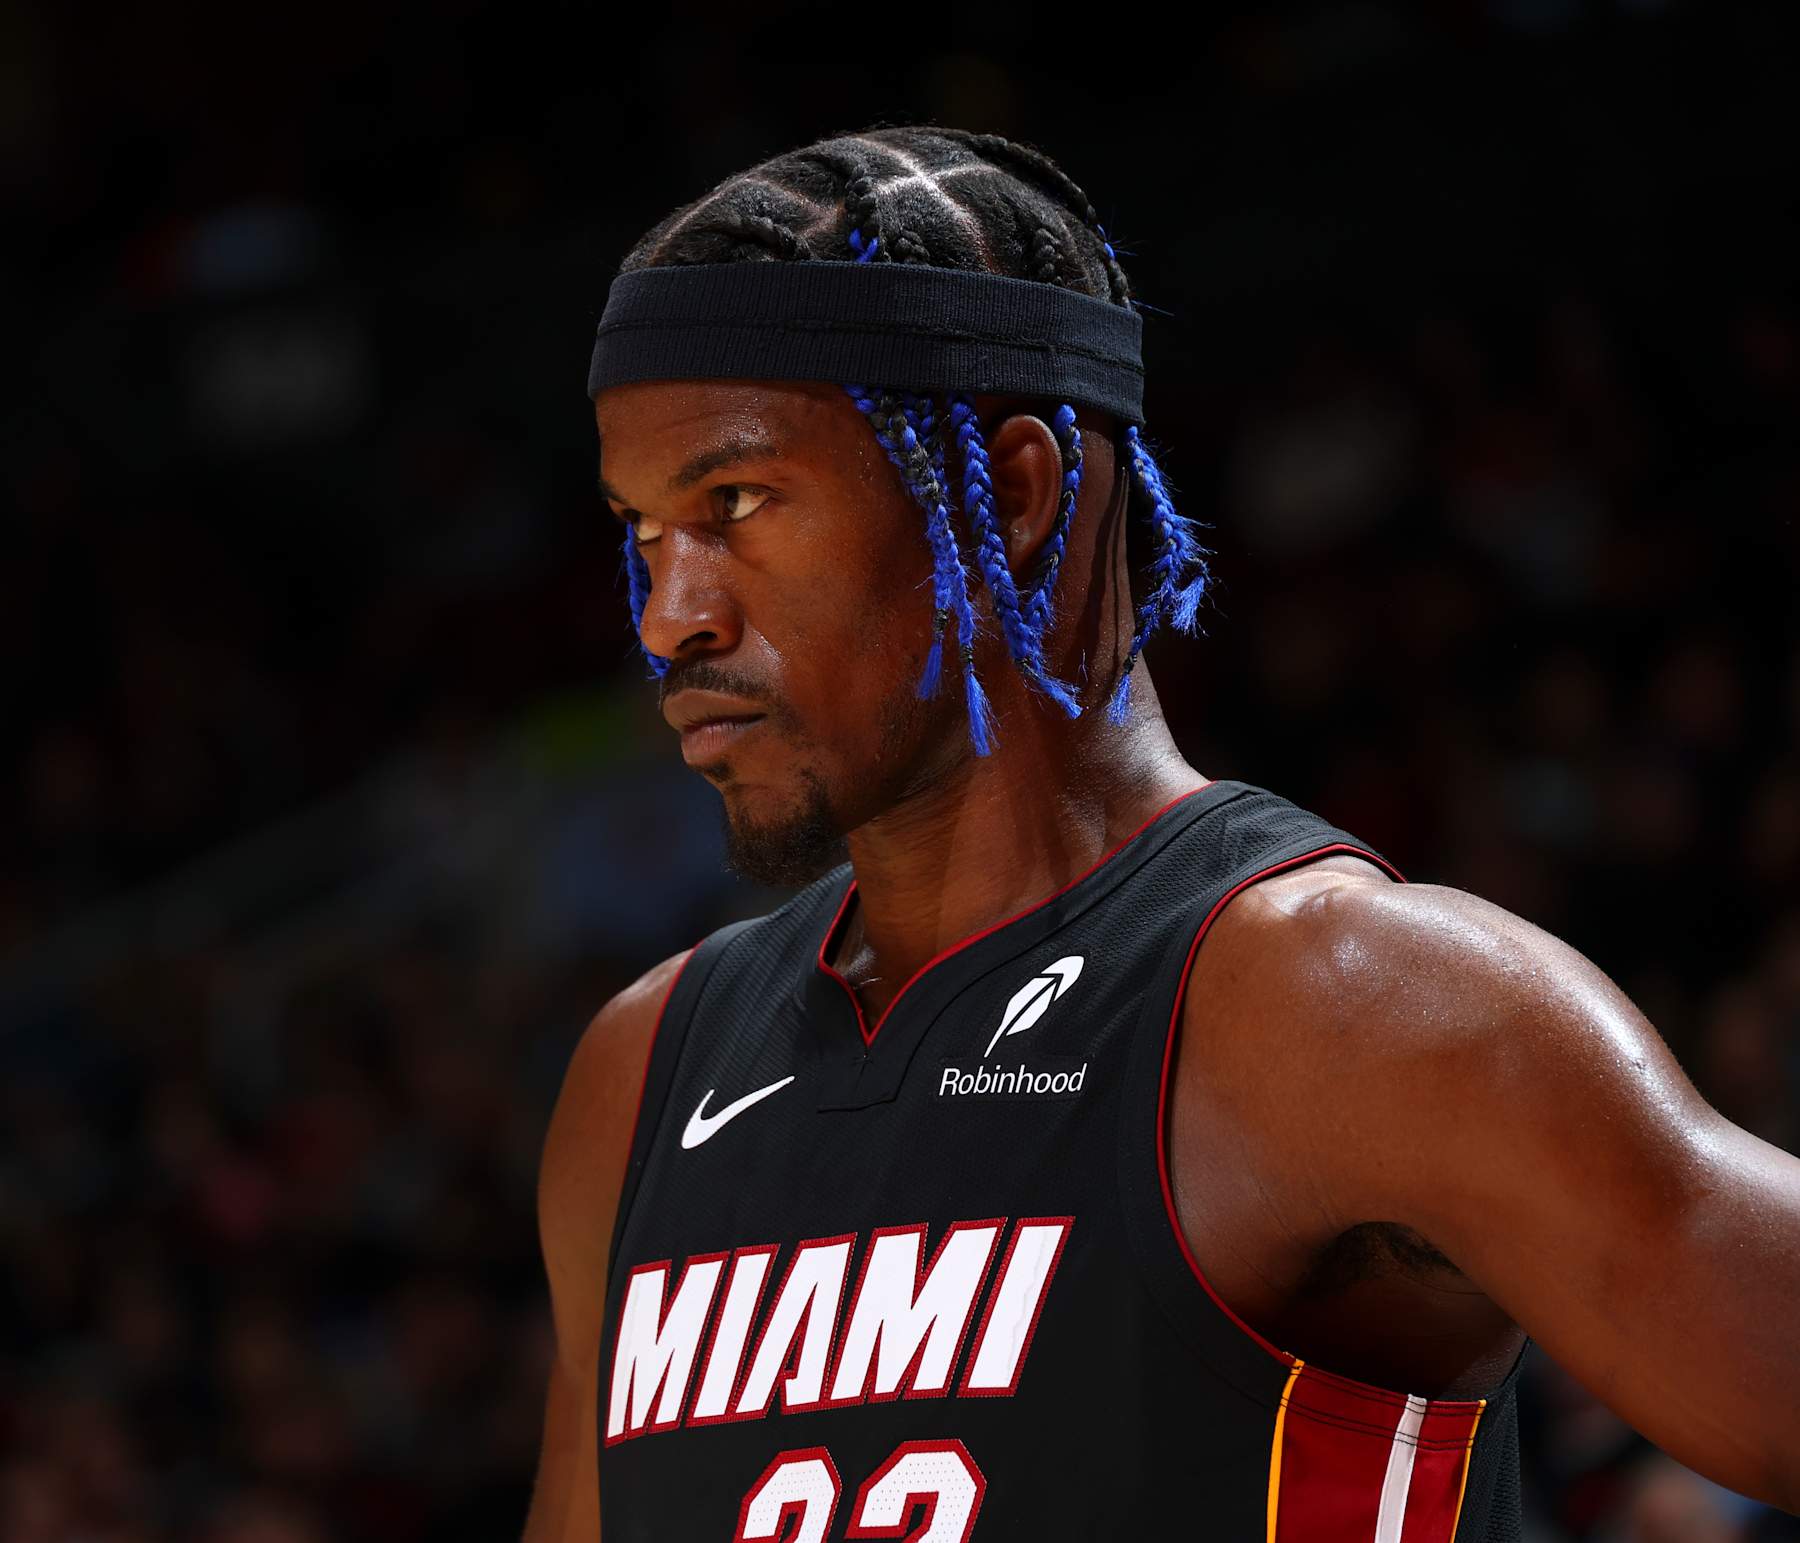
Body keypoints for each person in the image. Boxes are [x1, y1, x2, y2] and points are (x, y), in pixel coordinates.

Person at [522, 127, 1800, 1541]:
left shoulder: (1355, 1010)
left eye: (736, 505)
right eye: (642, 532)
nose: (667, 617)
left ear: (1010, 490)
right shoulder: (640, 1075)